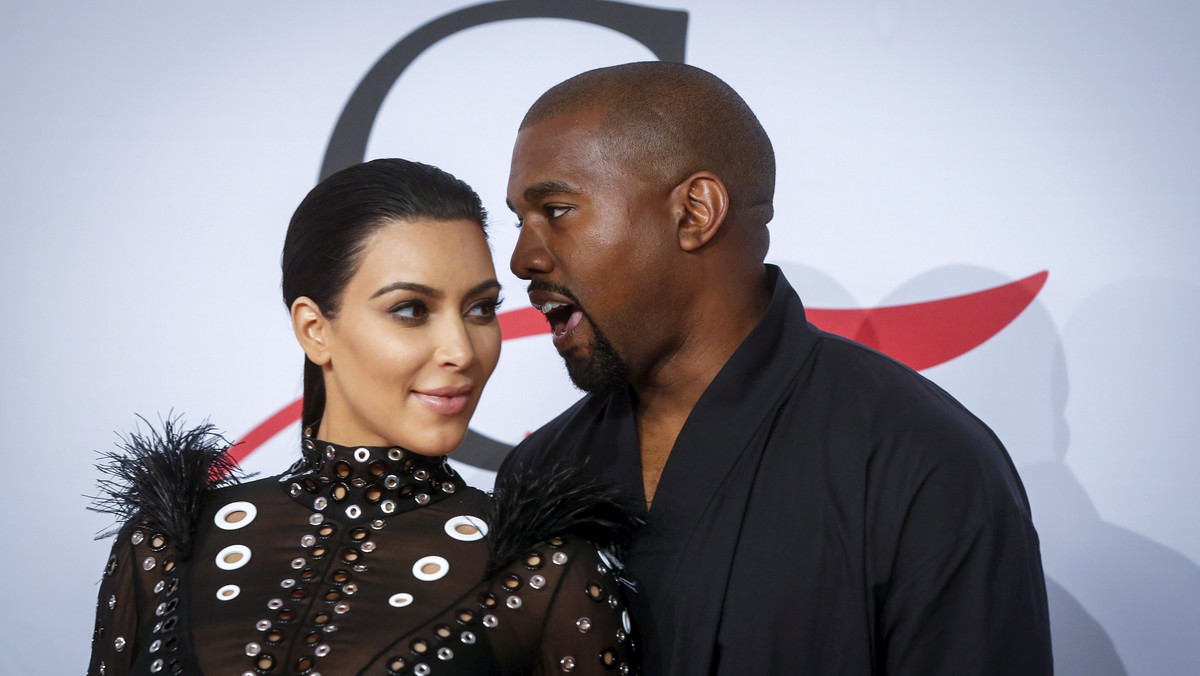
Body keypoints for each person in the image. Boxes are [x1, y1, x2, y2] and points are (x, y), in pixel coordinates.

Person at [500, 62, 1053, 675]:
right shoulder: (541, 469)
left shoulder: (922, 460)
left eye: (556, 210)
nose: (523, 258)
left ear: (695, 212)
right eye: (519, 221)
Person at [87, 159, 638, 676]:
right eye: (410, 310)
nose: (461, 351)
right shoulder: (165, 546)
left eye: (480, 309)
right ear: (315, 329)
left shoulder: (543, 569)